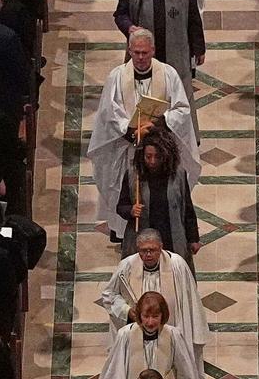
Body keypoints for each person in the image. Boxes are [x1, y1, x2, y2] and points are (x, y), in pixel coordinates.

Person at [85, 29, 201, 239]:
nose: (140, 57)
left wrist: (160, 121)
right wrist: (131, 130)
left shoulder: (168, 74)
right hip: (129, 147)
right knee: (128, 191)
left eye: (144, 53)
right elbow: (109, 113)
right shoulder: (117, 76)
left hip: (160, 148)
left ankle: (163, 232)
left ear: (153, 50)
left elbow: (182, 109)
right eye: (136, 52)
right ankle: (126, 235)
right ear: (129, 51)